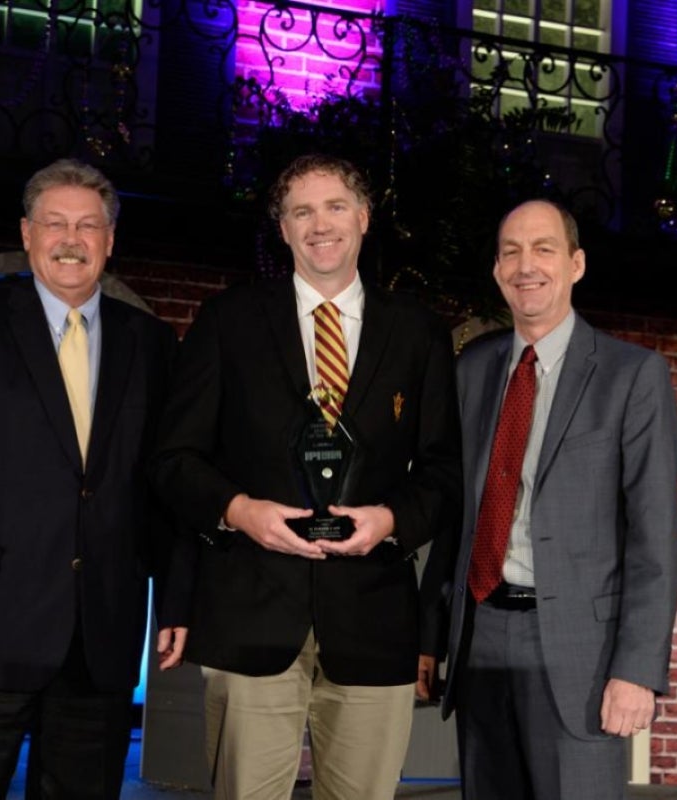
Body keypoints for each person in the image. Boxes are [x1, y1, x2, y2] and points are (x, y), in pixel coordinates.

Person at [151, 153, 461, 800]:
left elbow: (443, 470)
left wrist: (391, 521)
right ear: (284, 230)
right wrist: (239, 510)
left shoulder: (418, 333)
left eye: (335, 206)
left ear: (364, 218)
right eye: (301, 212)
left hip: (374, 621)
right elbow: (174, 460)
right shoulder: (226, 322)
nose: (320, 225)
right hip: (250, 611)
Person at [0, 158, 186, 800]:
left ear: (111, 239)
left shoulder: (153, 343)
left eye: (89, 224)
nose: (71, 239)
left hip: (99, 640)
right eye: (55, 223)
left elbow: (165, 483)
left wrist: (178, 598)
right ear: (26, 233)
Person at [436, 199, 677, 799]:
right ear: (496, 270)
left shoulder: (632, 376)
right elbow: (455, 517)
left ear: (575, 264)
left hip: (581, 652)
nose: (527, 265)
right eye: (511, 252)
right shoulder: (473, 369)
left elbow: (655, 539)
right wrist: (433, 637)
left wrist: (637, 671)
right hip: (481, 636)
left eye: (543, 248)